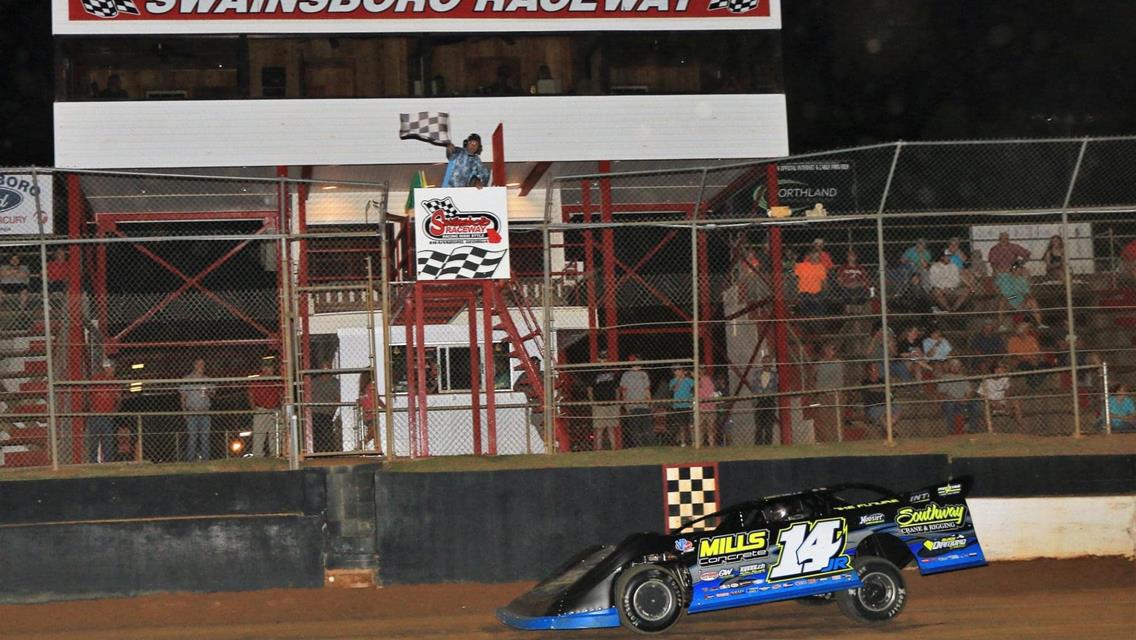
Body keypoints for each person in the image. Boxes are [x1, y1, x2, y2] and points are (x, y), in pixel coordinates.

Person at [179, 358, 215, 461]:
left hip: (205, 411)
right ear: (194, 365)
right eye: (199, 364)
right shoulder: (187, 379)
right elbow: (182, 397)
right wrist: (184, 412)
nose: (201, 366)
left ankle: (206, 460)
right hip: (192, 411)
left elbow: (213, 395)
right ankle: (190, 460)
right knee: (192, 438)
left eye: (203, 364)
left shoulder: (208, 379)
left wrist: (208, 392)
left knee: (205, 437)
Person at [87, 360, 121, 464]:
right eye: (108, 368)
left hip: (107, 415)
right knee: (94, 440)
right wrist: (91, 408)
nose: (111, 370)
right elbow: (88, 395)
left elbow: (118, 398)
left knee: (108, 441)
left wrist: (114, 411)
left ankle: (108, 462)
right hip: (95, 415)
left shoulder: (115, 382)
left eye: (111, 368)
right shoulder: (96, 379)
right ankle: (93, 461)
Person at [996, 258, 1046, 328]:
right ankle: (1001, 325)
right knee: (1003, 300)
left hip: (1018, 297)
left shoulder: (1022, 280)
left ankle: (1040, 324)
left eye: (1021, 268)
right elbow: (996, 282)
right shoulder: (1004, 276)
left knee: (1032, 301)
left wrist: (1024, 302)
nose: (1021, 270)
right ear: (1014, 268)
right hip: (1009, 298)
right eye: (1019, 268)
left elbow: (1027, 293)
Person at [937, 358, 981, 434]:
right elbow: (941, 393)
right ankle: (951, 431)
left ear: (960, 367)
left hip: (963, 401)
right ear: (949, 367)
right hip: (951, 401)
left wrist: (966, 398)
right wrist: (956, 399)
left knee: (976, 404)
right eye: (953, 365)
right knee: (950, 405)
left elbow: (969, 392)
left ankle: (972, 429)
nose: (955, 367)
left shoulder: (964, 377)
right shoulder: (944, 377)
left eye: (957, 366)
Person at [248, 361, 282, 457]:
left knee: (275, 434)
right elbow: (250, 394)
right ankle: (258, 455)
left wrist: (281, 407)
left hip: (274, 409)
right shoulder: (257, 380)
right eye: (268, 367)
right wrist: (254, 408)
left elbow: (280, 395)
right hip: (261, 409)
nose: (271, 370)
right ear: (264, 369)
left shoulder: (276, 380)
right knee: (259, 434)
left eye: (271, 367)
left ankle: (275, 454)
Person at [812, 342, 844, 442]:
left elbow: (841, 379)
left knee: (835, 419)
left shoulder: (839, 363)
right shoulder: (819, 364)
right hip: (822, 394)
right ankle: (827, 441)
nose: (831, 352)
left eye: (833, 350)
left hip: (835, 394)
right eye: (829, 349)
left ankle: (837, 439)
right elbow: (812, 377)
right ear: (825, 350)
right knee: (823, 419)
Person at [588, 350, 620, 450]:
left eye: (605, 358)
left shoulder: (612, 371)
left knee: (611, 428)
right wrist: (592, 402)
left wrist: (618, 401)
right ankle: (598, 450)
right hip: (599, 403)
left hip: (611, 402)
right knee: (599, 429)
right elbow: (590, 388)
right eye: (601, 358)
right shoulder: (593, 371)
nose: (603, 360)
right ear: (598, 359)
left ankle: (614, 449)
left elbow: (617, 388)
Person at [618, 353, 652, 447]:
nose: (638, 364)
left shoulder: (644, 374)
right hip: (632, 404)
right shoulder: (626, 375)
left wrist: (649, 402)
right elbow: (624, 391)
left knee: (647, 427)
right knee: (634, 427)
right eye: (636, 361)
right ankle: (638, 445)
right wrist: (626, 404)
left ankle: (649, 445)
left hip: (644, 404)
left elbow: (647, 389)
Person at [310, 358, 341, 453]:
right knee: (316, 436)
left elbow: (337, 398)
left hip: (326, 413)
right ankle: (316, 453)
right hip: (314, 412)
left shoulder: (335, 382)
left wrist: (332, 411)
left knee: (327, 435)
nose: (326, 370)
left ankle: (328, 454)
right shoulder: (314, 382)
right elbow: (308, 396)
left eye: (328, 367)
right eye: (324, 367)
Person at [1007, 321, 1047, 389]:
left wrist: (1036, 359)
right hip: (1021, 361)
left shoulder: (1032, 339)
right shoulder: (1013, 340)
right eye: (1027, 329)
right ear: (1021, 330)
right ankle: (1033, 385)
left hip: (1033, 360)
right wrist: (1027, 359)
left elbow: (1037, 352)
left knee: (1045, 365)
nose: (1028, 330)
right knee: (1027, 366)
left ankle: (1037, 382)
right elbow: (1012, 355)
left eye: (1028, 329)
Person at [862, 363, 898, 436]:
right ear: (868, 371)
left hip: (886, 404)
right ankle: (890, 432)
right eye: (873, 369)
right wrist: (884, 389)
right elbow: (873, 388)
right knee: (881, 415)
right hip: (873, 406)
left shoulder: (882, 380)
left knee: (897, 408)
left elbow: (892, 389)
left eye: (877, 369)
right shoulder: (865, 381)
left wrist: (892, 382)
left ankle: (887, 429)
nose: (876, 371)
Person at [749, 356, 778, 445]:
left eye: (768, 362)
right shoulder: (756, 374)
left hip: (770, 401)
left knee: (769, 426)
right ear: (762, 362)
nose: (766, 364)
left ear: (771, 363)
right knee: (759, 425)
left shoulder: (775, 375)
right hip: (759, 401)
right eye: (764, 361)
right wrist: (754, 400)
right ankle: (758, 444)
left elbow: (776, 388)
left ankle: (768, 444)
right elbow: (753, 387)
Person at [513, 355, 545, 433]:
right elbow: (516, 387)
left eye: (538, 364)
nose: (538, 366)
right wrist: (527, 389)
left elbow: (554, 384)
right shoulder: (525, 375)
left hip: (546, 407)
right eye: (535, 364)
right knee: (540, 431)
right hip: (535, 408)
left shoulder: (543, 374)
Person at [794, 249, 828, 315]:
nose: (815, 259)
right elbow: (793, 277)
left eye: (817, 257)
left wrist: (825, 293)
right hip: (803, 293)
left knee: (819, 312)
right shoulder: (801, 266)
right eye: (814, 257)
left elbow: (824, 282)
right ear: (809, 257)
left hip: (817, 294)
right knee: (806, 313)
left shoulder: (821, 267)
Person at [356, 370, 383, 452]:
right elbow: (376, 399)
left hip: (367, 414)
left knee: (375, 432)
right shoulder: (371, 386)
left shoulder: (362, 389)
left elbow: (362, 401)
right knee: (374, 432)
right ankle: (363, 443)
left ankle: (377, 448)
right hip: (371, 413)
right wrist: (385, 406)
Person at [668, 366, 695, 447]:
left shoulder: (688, 380)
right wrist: (680, 379)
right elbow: (674, 390)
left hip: (688, 405)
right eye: (676, 370)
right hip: (678, 405)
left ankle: (694, 442)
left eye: (680, 369)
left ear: (683, 370)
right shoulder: (673, 381)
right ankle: (683, 442)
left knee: (691, 425)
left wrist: (693, 376)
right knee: (681, 426)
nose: (678, 371)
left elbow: (698, 385)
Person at [696, 364, 720, 447]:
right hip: (700, 408)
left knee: (711, 427)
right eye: (700, 369)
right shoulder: (695, 380)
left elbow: (714, 392)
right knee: (700, 428)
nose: (701, 370)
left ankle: (711, 444)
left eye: (703, 369)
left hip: (710, 407)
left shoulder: (709, 379)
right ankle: (699, 444)